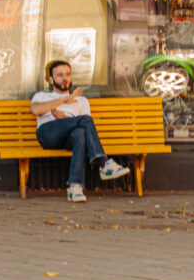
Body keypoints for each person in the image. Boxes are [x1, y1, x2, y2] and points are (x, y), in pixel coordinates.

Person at [30, 60, 130, 202]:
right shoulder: (42, 96)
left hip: (68, 139)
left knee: (80, 134)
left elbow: (87, 128)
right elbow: (36, 110)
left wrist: (65, 118)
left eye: (68, 74)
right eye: (60, 75)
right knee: (84, 121)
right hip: (48, 134)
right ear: (51, 79)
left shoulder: (82, 101)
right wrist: (66, 99)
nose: (65, 78)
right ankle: (103, 163)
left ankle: (75, 187)